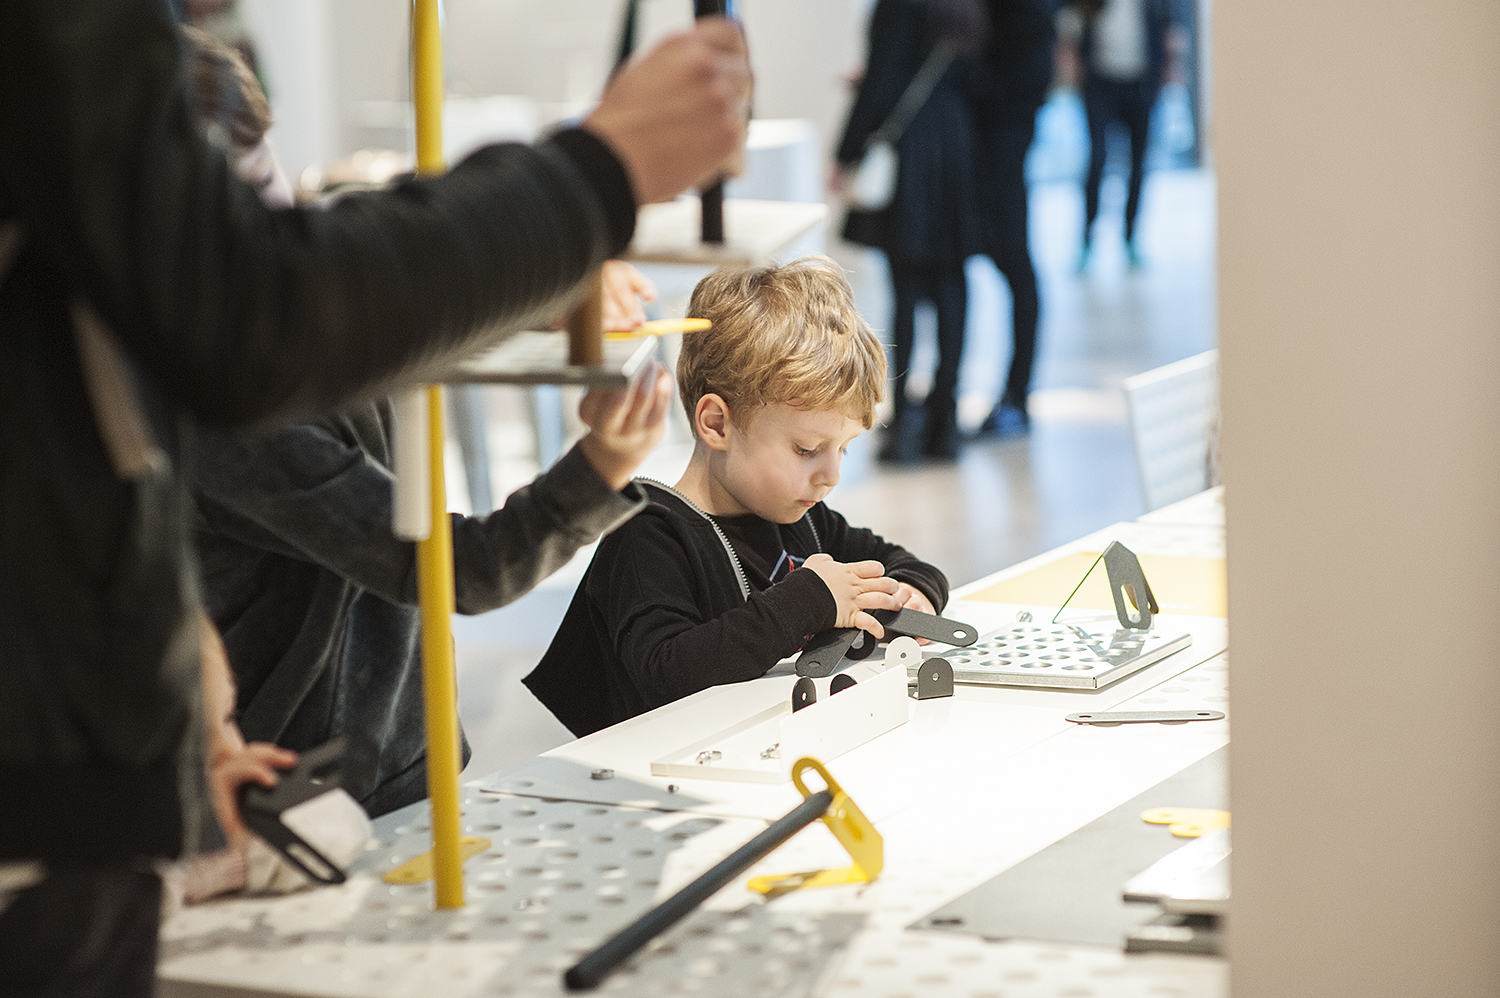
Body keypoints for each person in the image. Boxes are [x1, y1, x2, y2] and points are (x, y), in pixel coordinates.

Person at [0, 0, 751, 992]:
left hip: (340, 760)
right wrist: (588, 185)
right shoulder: (234, 409)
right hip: (238, 787)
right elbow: (270, 320)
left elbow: (295, 306)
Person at [179, 29, 671, 821]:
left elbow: (393, 321)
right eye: (239, 217)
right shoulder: (229, 422)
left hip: (400, 749)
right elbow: (460, 569)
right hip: (313, 792)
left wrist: (534, 299)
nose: (276, 235)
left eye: (269, 180)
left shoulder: (287, 294)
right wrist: (601, 469)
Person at [525, 257, 949, 736]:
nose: (829, 475)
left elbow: (901, 563)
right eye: (807, 450)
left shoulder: (803, 520)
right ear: (717, 424)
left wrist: (913, 594)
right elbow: (669, 674)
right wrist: (809, 600)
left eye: (843, 449)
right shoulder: (647, 535)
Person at [835, 0, 984, 462]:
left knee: (907, 283)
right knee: (951, 284)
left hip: (915, 149)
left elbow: (883, 78)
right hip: (957, 139)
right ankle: (945, 421)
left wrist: (846, 151)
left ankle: (906, 429)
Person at [964, 0, 1057, 437]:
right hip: (990, 137)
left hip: (1003, 139)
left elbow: (1018, 74)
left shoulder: (1027, 15)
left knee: (1015, 263)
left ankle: (1017, 395)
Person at [1067, 0, 1178, 270]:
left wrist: (1167, 66)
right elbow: (1075, 21)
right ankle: (1087, 239)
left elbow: (1166, 23)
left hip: (1140, 81)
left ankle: (1130, 238)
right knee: (1097, 160)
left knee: (1138, 162)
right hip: (1100, 81)